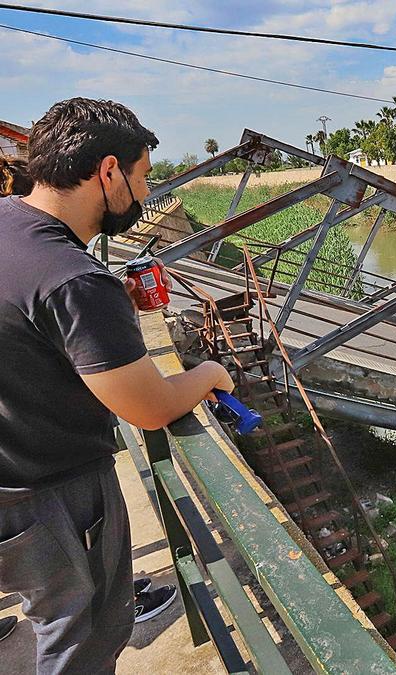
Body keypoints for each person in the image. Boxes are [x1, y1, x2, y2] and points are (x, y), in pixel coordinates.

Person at [0, 98, 235, 673]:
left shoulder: (7, 222)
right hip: (52, 499)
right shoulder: (75, 280)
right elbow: (151, 408)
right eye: (143, 177)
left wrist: (104, 327)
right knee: (81, 638)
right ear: (109, 171)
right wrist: (208, 374)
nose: (146, 196)